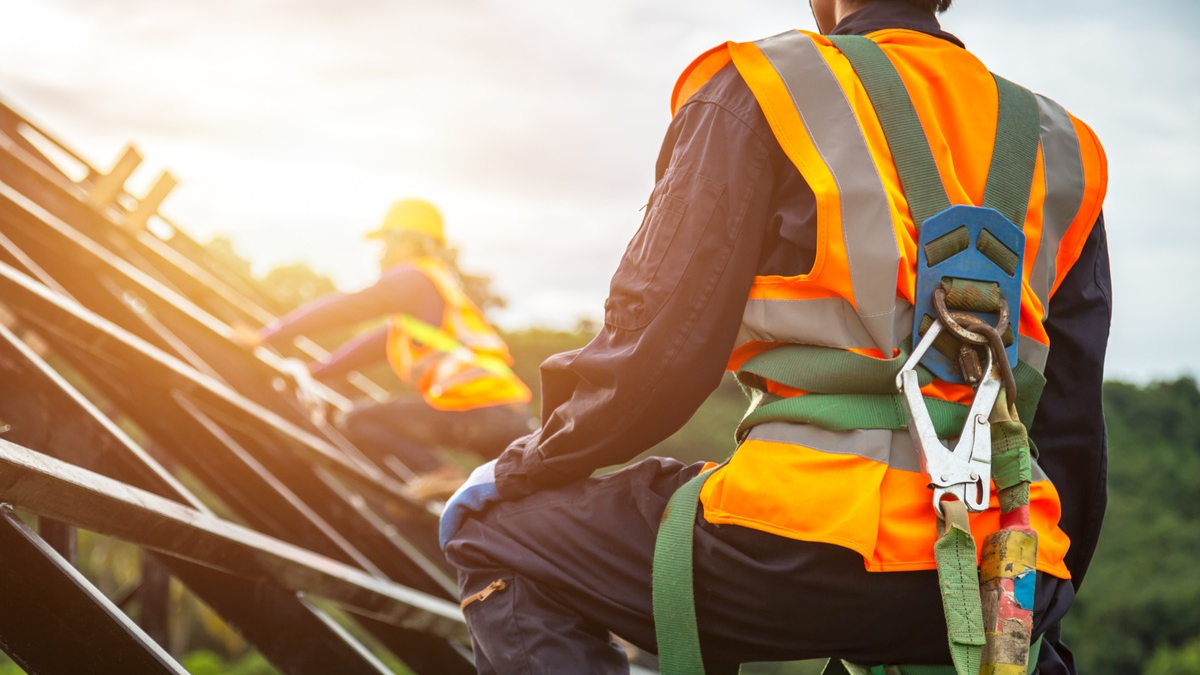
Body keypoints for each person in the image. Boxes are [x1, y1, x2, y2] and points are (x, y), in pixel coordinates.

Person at [439, 0, 1110, 673]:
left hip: (804, 545)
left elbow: (655, 360)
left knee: (493, 538)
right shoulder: (1066, 148)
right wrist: (1040, 599)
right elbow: (1072, 429)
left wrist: (525, 464)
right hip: (1008, 571)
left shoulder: (765, 86)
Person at [257, 198, 535, 495]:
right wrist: (313, 374)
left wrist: (268, 335)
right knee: (513, 505)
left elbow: (345, 307)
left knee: (358, 419)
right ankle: (439, 484)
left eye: (385, 241)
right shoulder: (427, 303)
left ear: (406, 241)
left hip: (473, 410)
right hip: (509, 418)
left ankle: (436, 472)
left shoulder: (413, 277)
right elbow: (363, 349)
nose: (381, 253)